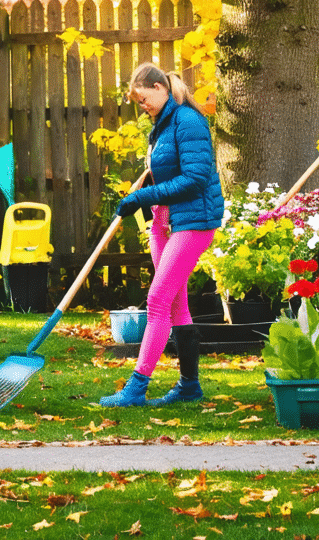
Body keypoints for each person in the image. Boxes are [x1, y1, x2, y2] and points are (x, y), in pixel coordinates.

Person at [104, 63, 224, 407]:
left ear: (160, 87)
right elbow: (165, 171)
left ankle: (136, 388)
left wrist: (142, 197)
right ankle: (189, 386)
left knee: (156, 300)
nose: (142, 107)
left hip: (194, 221)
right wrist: (145, 197)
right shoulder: (162, 125)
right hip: (164, 222)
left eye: (144, 99)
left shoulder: (188, 121)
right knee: (174, 304)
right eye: (138, 103)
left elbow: (196, 178)